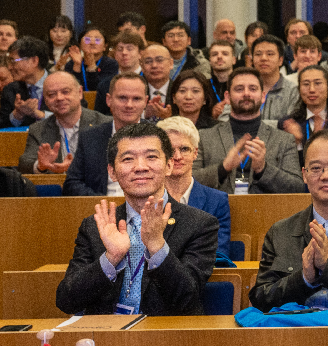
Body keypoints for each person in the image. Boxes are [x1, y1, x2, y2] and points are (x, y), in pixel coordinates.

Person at [56, 122, 219, 316]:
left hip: (164, 332)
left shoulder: (199, 224)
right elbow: (66, 301)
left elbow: (187, 299)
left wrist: (157, 247)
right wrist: (111, 258)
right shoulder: (95, 226)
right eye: (128, 159)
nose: (140, 167)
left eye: (151, 157)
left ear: (168, 165)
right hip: (107, 331)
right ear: (112, 172)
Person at [250, 130, 328, 311]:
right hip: (297, 329)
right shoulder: (281, 232)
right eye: (316, 168)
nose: (326, 176)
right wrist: (304, 279)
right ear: (304, 175)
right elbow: (261, 300)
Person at [192, 67, 306, 194]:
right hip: (218, 207)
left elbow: (297, 188)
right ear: (227, 97)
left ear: (263, 96)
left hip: (267, 207)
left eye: (253, 89)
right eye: (239, 89)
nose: (246, 93)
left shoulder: (284, 140)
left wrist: (263, 169)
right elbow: (187, 182)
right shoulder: (204, 137)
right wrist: (222, 168)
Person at [157, 116, 231, 259]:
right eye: (170, 150)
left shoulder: (216, 201)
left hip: (201, 272)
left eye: (184, 149)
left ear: (195, 153)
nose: (177, 156)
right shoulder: (147, 199)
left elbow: (219, 255)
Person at [64, 73, 148, 196]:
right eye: (122, 98)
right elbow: (72, 184)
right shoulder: (90, 138)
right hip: (101, 204)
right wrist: (102, 202)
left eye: (136, 99)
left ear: (145, 102)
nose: (129, 105)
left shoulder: (159, 136)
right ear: (109, 100)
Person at [18, 71, 111, 174]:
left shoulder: (105, 124)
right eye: (51, 95)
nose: (59, 98)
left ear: (80, 92)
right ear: (45, 100)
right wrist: (41, 165)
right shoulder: (38, 130)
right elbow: (25, 163)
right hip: (57, 183)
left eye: (65, 92)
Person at [281, 65, 328, 153]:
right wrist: (297, 144)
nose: (312, 89)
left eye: (317, 83)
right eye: (306, 84)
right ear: (299, 89)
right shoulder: (288, 124)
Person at [0, 36, 50, 128]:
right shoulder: (10, 90)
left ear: (34, 61)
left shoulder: (63, 84)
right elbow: (0, 129)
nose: (9, 67)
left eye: (13, 61)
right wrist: (17, 114)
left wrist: (40, 115)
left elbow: (73, 117)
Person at [250, 35, 301, 123]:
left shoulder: (293, 91)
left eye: (270, 54)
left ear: (280, 60)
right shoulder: (243, 88)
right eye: (258, 54)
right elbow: (228, 121)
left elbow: (290, 126)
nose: (263, 58)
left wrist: (249, 125)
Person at [94, 30, 145, 115]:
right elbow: (99, 116)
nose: (124, 53)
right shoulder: (106, 84)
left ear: (140, 53)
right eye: (120, 49)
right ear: (115, 54)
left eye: (129, 49)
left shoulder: (149, 80)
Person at [62, 26, 117, 91]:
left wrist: (92, 67)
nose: (92, 43)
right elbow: (70, 89)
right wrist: (77, 65)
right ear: (80, 45)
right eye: (87, 39)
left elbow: (103, 89)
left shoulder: (111, 64)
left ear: (105, 46)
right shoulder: (71, 64)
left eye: (97, 40)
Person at [141, 43, 175, 118]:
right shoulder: (135, 91)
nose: (154, 65)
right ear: (142, 67)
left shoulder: (179, 90)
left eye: (159, 60)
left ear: (171, 63)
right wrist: (144, 115)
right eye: (148, 61)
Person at [204, 40, 236, 110]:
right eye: (214, 54)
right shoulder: (203, 86)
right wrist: (211, 114)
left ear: (234, 60)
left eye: (225, 54)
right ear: (209, 61)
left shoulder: (242, 85)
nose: (219, 57)